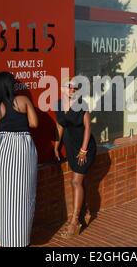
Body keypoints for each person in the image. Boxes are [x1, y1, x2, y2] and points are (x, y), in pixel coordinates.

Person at [0, 72, 38, 247]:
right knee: (24, 193)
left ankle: (7, 237)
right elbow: (34, 123)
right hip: (25, 149)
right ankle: (21, 237)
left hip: (6, 150)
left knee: (5, 194)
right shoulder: (23, 100)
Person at [54, 78, 97, 238]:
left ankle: (74, 222)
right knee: (78, 181)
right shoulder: (58, 104)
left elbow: (88, 127)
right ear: (62, 88)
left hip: (84, 148)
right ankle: (85, 210)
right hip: (71, 147)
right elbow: (59, 125)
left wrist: (84, 149)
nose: (72, 89)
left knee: (75, 181)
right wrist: (56, 145)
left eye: (75, 87)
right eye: (69, 87)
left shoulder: (82, 104)